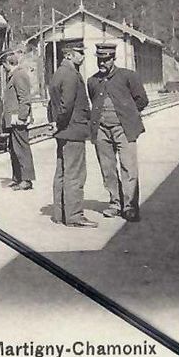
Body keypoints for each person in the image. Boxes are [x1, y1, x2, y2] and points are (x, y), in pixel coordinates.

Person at [87, 42, 149, 222]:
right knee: (107, 168)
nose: (102, 64)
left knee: (128, 167)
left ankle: (130, 206)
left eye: (106, 60)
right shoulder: (92, 81)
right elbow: (93, 101)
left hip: (124, 129)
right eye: (99, 60)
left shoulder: (128, 76)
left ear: (113, 59)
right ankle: (115, 203)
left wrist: (128, 115)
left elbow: (142, 100)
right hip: (101, 130)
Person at [48, 43, 96, 227]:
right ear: (68, 55)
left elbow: (53, 104)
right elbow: (66, 105)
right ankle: (75, 216)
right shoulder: (70, 75)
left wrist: (54, 124)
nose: (82, 57)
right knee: (75, 174)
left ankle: (60, 214)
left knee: (61, 173)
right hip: (73, 130)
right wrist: (59, 123)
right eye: (79, 53)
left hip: (63, 132)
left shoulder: (58, 73)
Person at [0, 49, 36, 191]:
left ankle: (26, 180)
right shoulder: (14, 75)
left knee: (21, 149)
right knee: (14, 149)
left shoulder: (19, 75)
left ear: (8, 62)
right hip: (13, 120)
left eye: (3, 65)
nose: (3, 68)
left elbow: (24, 98)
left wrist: (22, 117)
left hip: (18, 120)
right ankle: (18, 178)